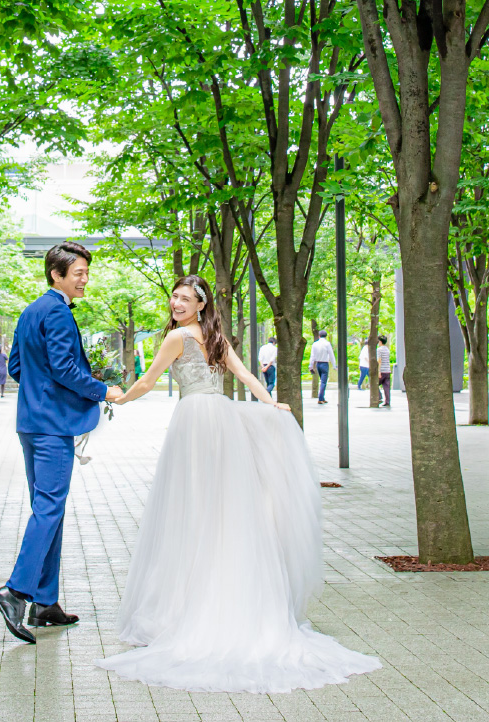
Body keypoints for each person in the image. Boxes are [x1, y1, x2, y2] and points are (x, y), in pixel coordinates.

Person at [95, 276, 380, 693]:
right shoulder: (215, 337)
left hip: (194, 419)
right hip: (220, 418)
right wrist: (271, 404)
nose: (177, 303)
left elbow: (149, 381)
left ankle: (185, 606)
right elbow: (246, 376)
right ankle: (217, 597)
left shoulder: (177, 337)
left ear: (200, 304)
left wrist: (115, 397)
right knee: (221, 506)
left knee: (192, 507)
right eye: (175, 297)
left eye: (185, 299)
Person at [0, 241, 123, 644]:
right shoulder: (59, 313)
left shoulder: (30, 311)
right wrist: (102, 390)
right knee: (48, 509)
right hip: (52, 429)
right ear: (56, 274)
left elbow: (16, 367)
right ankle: (15, 593)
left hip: (31, 423)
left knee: (49, 509)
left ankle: (44, 603)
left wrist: (41, 393)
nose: (84, 279)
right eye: (78, 273)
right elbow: (63, 368)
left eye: (85, 272)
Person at [309, 330, 336, 405]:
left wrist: (311, 366)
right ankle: (320, 398)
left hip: (318, 364)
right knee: (323, 382)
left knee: (322, 381)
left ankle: (322, 398)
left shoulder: (315, 344)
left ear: (319, 336)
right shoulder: (327, 344)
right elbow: (331, 355)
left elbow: (312, 356)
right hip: (325, 364)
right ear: (326, 336)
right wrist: (334, 365)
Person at [378, 335, 392, 407]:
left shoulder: (379, 350)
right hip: (387, 370)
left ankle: (379, 397)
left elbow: (379, 361)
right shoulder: (387, 349)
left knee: (375, 384)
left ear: (380, 342)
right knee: (386, 386)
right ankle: (387, 401)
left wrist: (379, 371)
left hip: (382, 370)